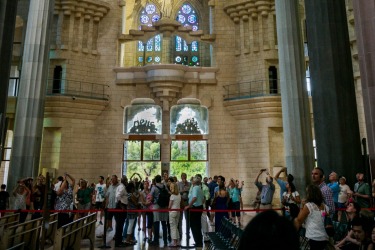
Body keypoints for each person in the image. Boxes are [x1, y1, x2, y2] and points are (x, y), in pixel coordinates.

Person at [294, 184, 329, 250]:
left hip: (314, 236)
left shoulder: (309, 206)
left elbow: (299, 220)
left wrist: (302, 206)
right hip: (324, 236)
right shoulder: (325, 207)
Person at [150, 175, 169, 247]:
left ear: (155, 180)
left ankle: (156, 240)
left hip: (156, 206)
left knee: (156, 223)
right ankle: (165, 240)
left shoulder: (154, 187)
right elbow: (168, 193)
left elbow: (151, 197)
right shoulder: (164, 186)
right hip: (164, 206)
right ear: (160, 180)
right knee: (164, 224)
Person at [185, 176, 204, 248]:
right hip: (199, 207)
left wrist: (189, 206)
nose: (191, 181)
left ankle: (198, 242)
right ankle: (198, 241)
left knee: (194, 226)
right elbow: (203, 198)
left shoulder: (195, 188)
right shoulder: (199, 188)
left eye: (192, 180)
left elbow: (194, 197)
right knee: (197, 225)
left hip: (195, 208)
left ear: (194, 182)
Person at [114, 175, 128, 247]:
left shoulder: (120, 186)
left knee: (120, 226)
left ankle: (119, 241)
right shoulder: (122, 187)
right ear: (124, 181)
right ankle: (118, 243)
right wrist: (121, 205)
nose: (127, 182)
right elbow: (118, 196)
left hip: (120, 206)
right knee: (119, 226)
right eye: (126, 180)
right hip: (120, 207)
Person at [177, 172, 191, 239]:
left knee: (187, 218)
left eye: (185, 177)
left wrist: (187, 190)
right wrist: (182, 191)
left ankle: (187, 233)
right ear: (181, 177)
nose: (184, 178)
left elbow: (191, 192)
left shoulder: (189, 184)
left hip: (187, 202)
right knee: (180, 218)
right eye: (183, 177)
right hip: (180, 202)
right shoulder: (178, 184)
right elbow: (177, 192)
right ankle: (180, 233)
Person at [168, 182, 181, 247]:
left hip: (172, 212)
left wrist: (168, 208)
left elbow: (169, 206)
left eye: (171, 187)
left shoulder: (172, 196)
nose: (170, 188)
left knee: (173, 227)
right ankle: (178, 241)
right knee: (176, 226)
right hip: (178, 212)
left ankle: (174, 242)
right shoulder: (179, 195)